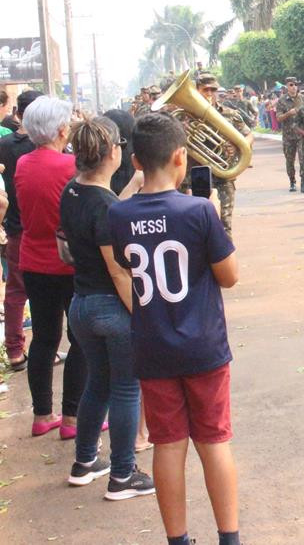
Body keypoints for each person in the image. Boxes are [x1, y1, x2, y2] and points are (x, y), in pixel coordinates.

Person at [108, 112, 242, 545]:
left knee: (168, 445)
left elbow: (128, 267)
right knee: (214, 441)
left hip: (153, 347)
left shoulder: (119, 215)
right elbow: (229, 276)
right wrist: (216, 220)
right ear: (181, 157)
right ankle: (229, 538)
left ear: (135, 161)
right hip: (203, 346)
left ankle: (178, 540)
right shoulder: (200, 209)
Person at [60, 116, 155, 499]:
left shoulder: (74, 190)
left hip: (81, 304)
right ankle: (122, 474)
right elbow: (119, 273)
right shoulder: (105, 207)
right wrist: (141, 315)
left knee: (97, 383)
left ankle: (85, 461)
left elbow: (79, 237)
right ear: (113, 152)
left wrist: (132, 187)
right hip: (109, 308)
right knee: (126, 390)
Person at [15, 96, 85, 437]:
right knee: (80, 340)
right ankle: (72, 419)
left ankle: (42, 415)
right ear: (61, 130)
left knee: (43, 338)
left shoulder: (23, 164)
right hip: (69, 264)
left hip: (33, 261)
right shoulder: (70, 167)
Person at [0, 90, 42, 372]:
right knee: (43, 290)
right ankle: (45, 348)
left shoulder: (3, 144)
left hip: (14, 227)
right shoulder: (42, 146)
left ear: (17, 111)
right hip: (42, 229)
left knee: (16, 291)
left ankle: (14, 350)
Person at [194, 73, 253, 238]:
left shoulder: (230, 113)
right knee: (198, 226)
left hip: (223, 175)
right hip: (196, 176)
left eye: (214, 90)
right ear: (197, 90)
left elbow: (248, 135)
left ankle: (225, 260)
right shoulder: (186, 115)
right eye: (206, 90)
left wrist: (238, 145)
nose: (210, 94)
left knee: (225, 224)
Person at [276, 77, 304, 192]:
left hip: (301, 134)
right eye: (291, 85)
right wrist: (288, 113)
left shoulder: (303, 98)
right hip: (288, 136)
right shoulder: (282, 100)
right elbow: (278, 118)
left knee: (303, 159)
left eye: (295, 85)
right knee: (290, 160)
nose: (294, 87)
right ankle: (292, 181)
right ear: (287, 86)